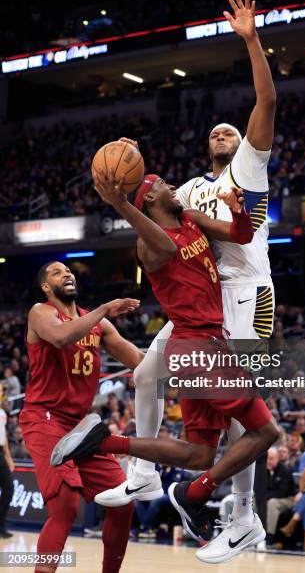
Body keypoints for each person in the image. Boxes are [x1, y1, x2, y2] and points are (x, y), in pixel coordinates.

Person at [95, 0, 277, 565]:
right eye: (217, 132)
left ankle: (242, 518)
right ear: (205, 145)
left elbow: (265, 105)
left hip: (248, 297)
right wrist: (127, 161)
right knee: (147, 374)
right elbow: (155, 202)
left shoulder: (247, 166)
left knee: (245, 418)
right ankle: (144, 470)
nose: (226, 134)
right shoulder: (192, 191)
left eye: (233, 130)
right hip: (199, 306)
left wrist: (251, 41)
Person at [51, 167, 281, 563]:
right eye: (162, 185)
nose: (172, 187)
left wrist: (238, 211)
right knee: (266, 431)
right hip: (198, 347)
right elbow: (168, 247)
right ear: (151, 199)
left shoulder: (190, 218)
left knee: (198, 454)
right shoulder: (148, 246)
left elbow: (241, 236)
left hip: (202, 346)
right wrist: (121, 202)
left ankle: (103, 443)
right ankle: (194, 495)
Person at [20, 261, 144, 573]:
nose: (67, 274)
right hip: (44, 417)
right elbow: (61, 337)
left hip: (81, 425)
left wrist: (186, 354)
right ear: (47, 287)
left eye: (69, 271)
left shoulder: (98, 324)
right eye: (57, 273)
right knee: (65, 505)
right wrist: (103, 309)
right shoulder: (41, 312)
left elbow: (138, 360)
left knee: (121, 501)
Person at [263, 447, 296, 543]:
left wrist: (266, 497)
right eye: (267, 459)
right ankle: (252, 533)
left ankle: (269, 536)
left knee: (272, 503)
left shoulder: (285, 470)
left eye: (271, 459)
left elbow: (282, 492)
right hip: (271, 498)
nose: (268, 461)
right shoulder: (264, 470)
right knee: (255, 501)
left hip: (288, 499)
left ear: (278, 458)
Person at [0, 382, 14, 539]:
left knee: (9, 489)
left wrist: (9, 458)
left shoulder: (2, 413)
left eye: (2, 390)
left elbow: (3, 438)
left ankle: (1, 525)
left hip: (0, 453)